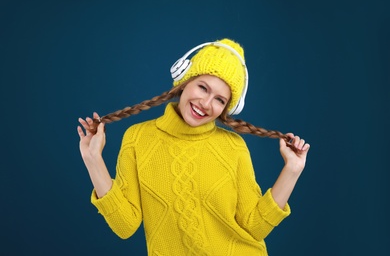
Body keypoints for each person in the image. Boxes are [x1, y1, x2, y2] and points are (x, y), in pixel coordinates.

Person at [77, 38, 310, 256]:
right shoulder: (138, 138)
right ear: (184, 80)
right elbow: (125, 225)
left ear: (227, 108)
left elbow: (255, 226)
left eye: (220, 100)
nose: (206, 104)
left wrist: (292, 169)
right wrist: (93, 158)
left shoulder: (233, 147)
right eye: (203, 87)